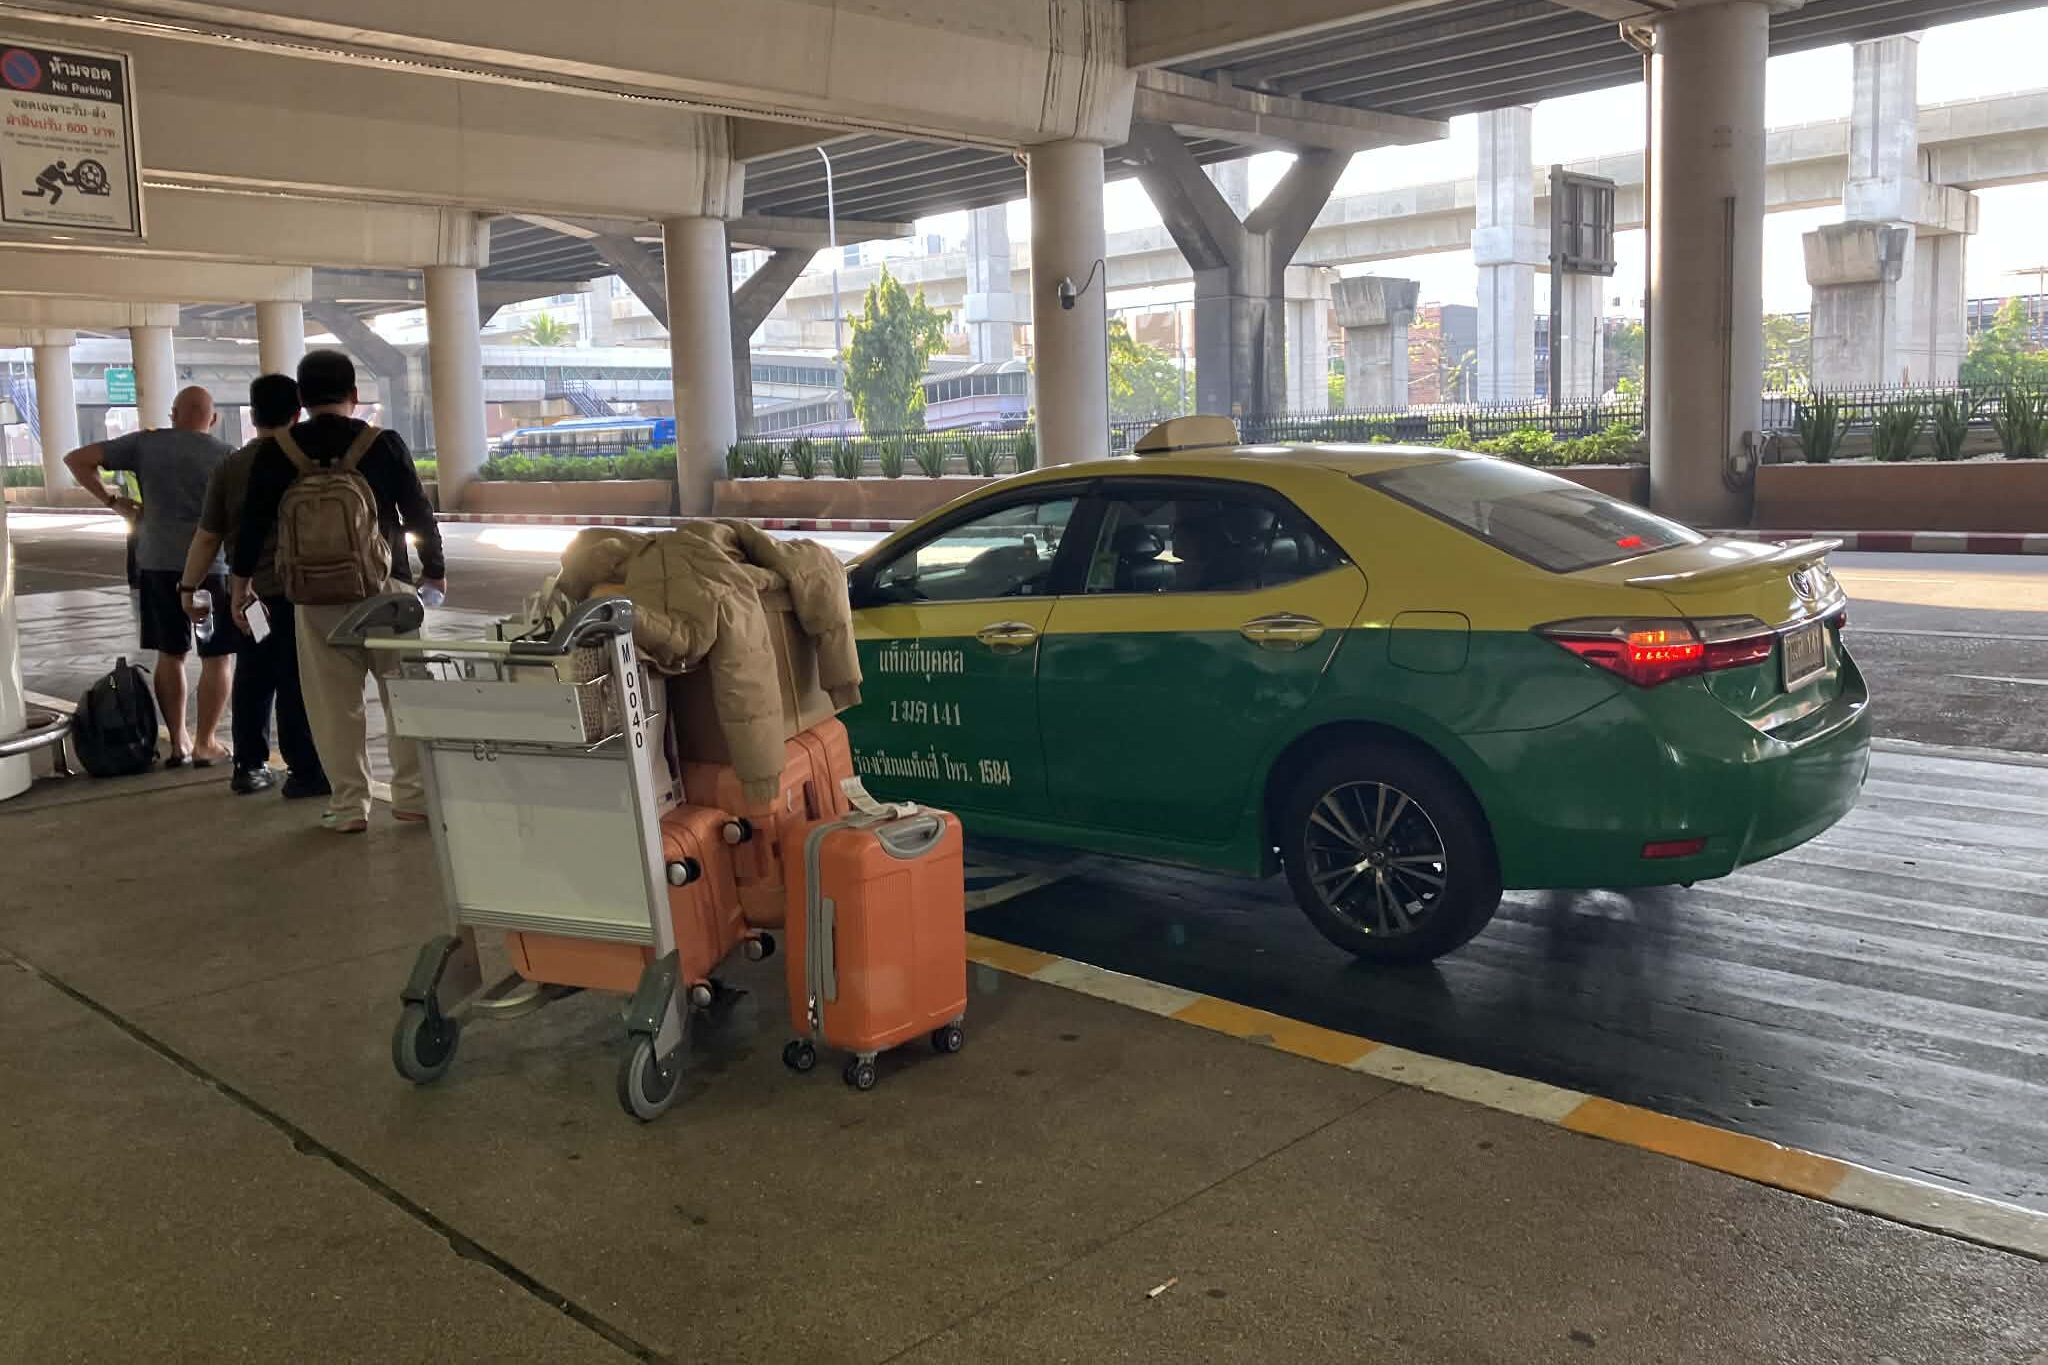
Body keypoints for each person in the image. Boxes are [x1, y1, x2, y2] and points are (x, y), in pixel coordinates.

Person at [232, 349, 446, 834]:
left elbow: (252, 527)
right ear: (354, 394)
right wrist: (434, 570)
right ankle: (413, 797)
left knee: (333, 704)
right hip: (387, 589)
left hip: (313, 596)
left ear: (302, 400)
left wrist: (240, 585)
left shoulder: (278, 451)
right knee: (404, 694)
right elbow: (418, 513)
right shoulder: (383, 443)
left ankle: (350, 805)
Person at [66, 386, 238, 767]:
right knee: (216, 657)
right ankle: (207, 743)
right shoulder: (227, 456)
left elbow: (76, 459)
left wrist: (113, 501)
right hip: (212, 568)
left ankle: (178, 741)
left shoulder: (146, 445)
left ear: (173, 414)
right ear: (212, 419)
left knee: (170, 653)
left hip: (158, 564)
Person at [180, 374, 329, 800]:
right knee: (299, 676)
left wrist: (188, 588)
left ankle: (249, 765)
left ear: (252, 414)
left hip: (255, 595)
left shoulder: (231, 466)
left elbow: (208, 536)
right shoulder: (311, 456)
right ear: (298, 412)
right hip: (311, 588)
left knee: (257, 672)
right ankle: (306, 769)